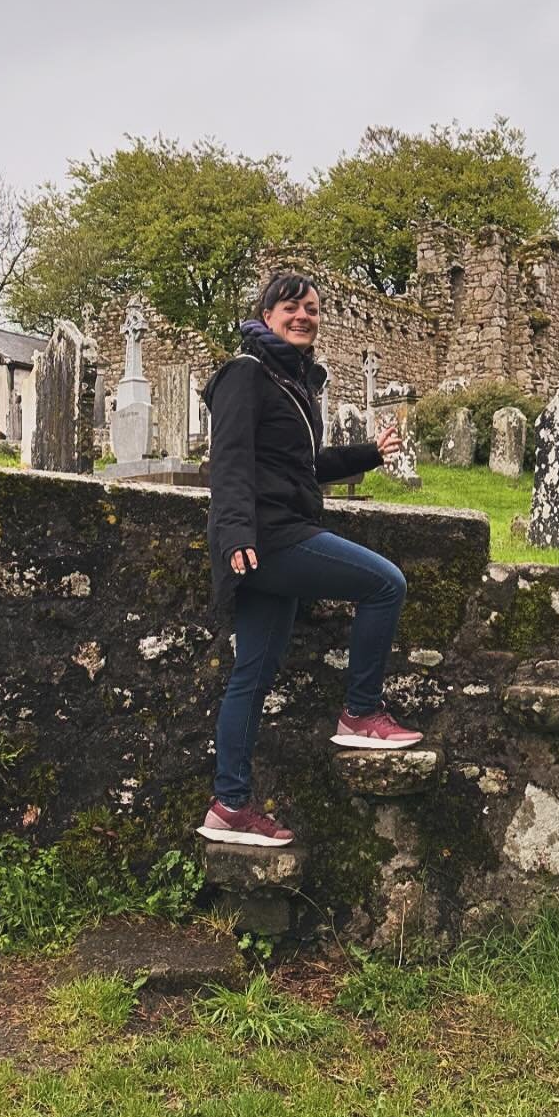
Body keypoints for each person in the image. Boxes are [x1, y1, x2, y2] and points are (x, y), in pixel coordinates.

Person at [198, 272, 423, 848]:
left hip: (275, 533)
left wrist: (369, 453)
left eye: (313, 310)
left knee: (252, 674)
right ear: (266, 314)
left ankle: (230, 805)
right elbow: (228, 463)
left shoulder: (290, 382)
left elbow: (303, 468)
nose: (304, 316)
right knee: (385, 584)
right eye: (291, 307)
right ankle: (360, 712)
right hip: (269, 539)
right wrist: (234, 536)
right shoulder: (244, 374)